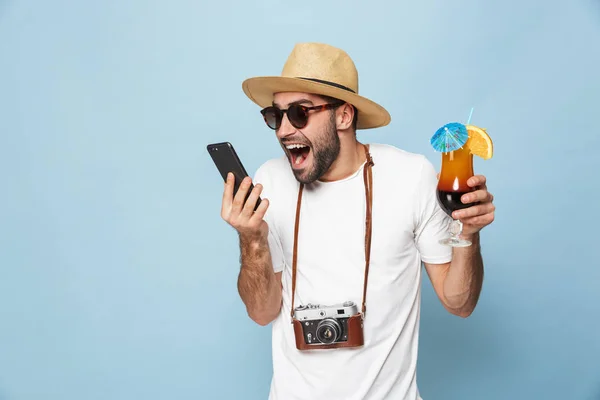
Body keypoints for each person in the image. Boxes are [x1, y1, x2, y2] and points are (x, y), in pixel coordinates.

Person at [220, 42, 495, 400]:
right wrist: (251, 238)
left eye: (300, 113)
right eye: (276, 115)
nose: (284, 130)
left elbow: (460, 303)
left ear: (344, 116)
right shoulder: (270, 181)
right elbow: (261, 312)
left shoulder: (410, 176)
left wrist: (469, 234)